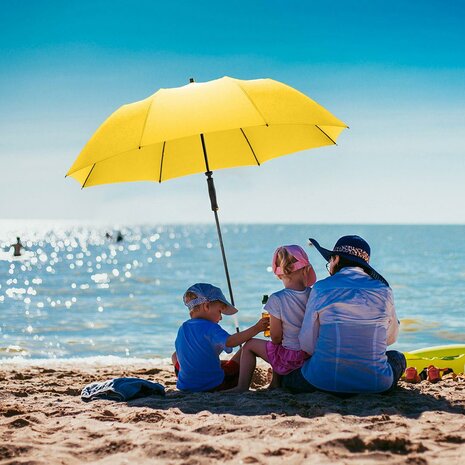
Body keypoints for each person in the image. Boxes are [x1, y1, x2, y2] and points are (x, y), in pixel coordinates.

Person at [282, 235, 406, 395]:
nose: (329, 266)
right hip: (375, 384)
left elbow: (307, 343)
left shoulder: (321, 288)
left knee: (288, 377)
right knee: (397, 358)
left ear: (337, 258)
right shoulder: (384, 291)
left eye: (330, 261)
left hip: (323, 382)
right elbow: (390, 339)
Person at [230, 245, 317, 392]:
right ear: (307, 269)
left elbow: (276, 337)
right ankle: (274, 383)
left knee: (251, 345)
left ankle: (242, 386)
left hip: (291, 358)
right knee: (278, 347)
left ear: (278, 274)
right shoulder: (314, 295)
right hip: (310, 355)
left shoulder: (277, 299)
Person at [173, 283, 269, 392]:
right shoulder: (210, 327)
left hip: (186, 385)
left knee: (175, 355)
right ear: (206, 306)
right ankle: (241, 387)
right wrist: (256, 328)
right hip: (214, 385)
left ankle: (191, 380)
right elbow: (230, 342)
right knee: (247, 347)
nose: (221, 318)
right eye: (220, 311)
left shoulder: (183, 328)